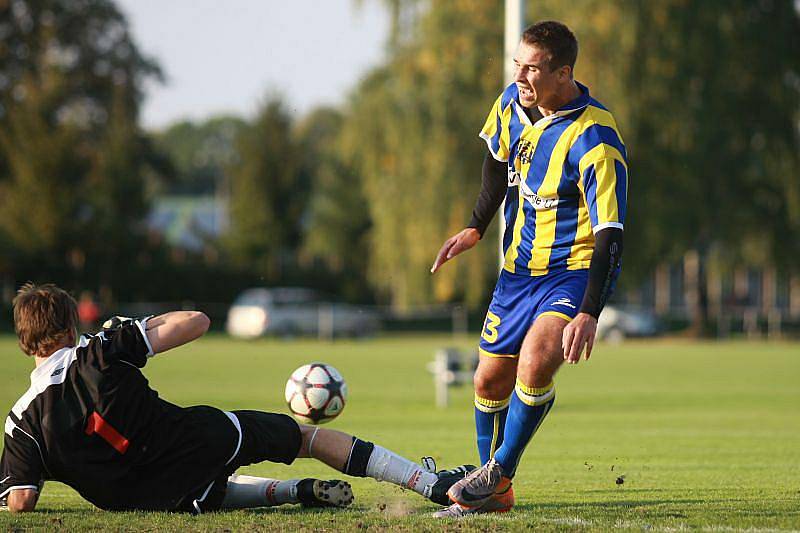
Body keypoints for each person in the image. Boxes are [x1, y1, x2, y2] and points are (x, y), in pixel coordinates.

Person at [1, 283, 472, 513]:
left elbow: (20, 501)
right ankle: (433, 485)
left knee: (208, 494)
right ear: (70, 327)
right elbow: (197, 321)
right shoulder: (101, 351)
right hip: (192, 442)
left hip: (142, 499)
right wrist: (132, 328)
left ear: (25, 344)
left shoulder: (20, 422)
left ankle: (294, 492)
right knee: (306, 438)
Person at [430, 21, 627, 516]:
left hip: (574, 269)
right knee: (487, 382)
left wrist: (588, 313)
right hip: (518, 271)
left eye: (532, 68)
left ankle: (499, 471)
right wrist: (476, 226)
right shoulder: (511, 104)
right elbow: (497, 160)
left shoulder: (595, 140)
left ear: (563, 73)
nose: (520, 75)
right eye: (517, 64)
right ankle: (492, 491)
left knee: (537, 359)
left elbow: (610, 234)